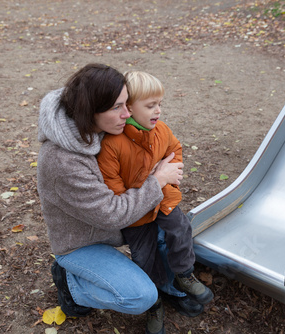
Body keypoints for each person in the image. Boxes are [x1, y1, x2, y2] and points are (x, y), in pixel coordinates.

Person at [36, 63, 186, 334]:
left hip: (121, 228)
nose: (127, 114)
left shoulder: (101, 128)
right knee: (139, 296)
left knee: (178, 230)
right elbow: (112, 213)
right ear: (90, 110)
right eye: (117, 107)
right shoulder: (62, 161)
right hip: (84, 243)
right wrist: (158, 180)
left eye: (126, 103)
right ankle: (71, 284)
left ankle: (172, 286)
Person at [97, 71, 214, 333]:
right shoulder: (113, 144)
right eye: (150, 106)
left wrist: (169, 176)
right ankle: (153, 303)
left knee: (180, 230)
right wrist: (153, 179)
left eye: (160, 104)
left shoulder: (160, 130)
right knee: (144, 256)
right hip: (136, 213)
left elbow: (175, 150)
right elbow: (115, 192)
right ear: (128, 107)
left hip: (163, 200)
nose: (158, 111)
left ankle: (183, 277)